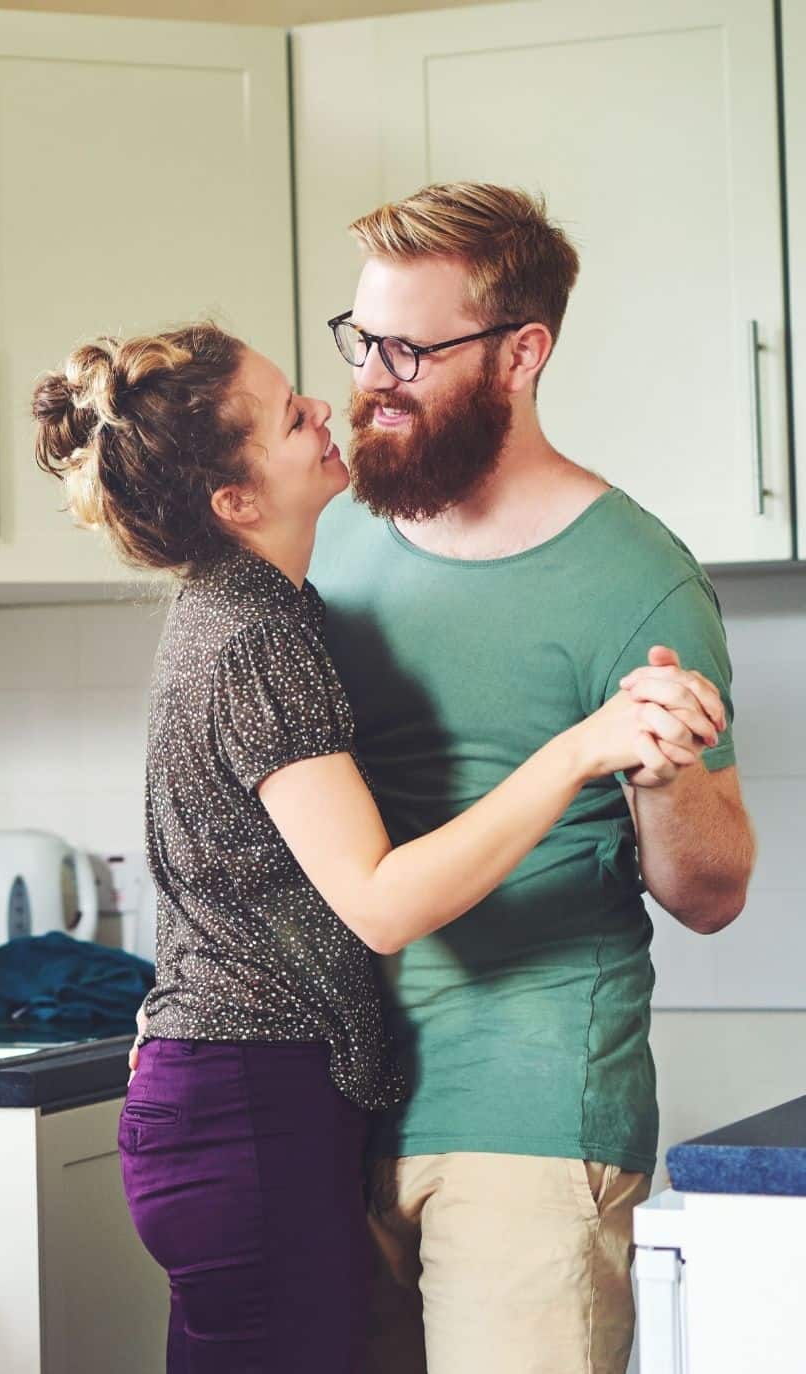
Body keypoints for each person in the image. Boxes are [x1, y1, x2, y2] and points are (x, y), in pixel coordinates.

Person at [32, 321, 724, 1373]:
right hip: (244, 1115)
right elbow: (379, 900)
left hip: (233, 1106)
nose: (323, 408)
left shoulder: (253, 611)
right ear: (233, 501)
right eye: (285, 417)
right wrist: (583, 745)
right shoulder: (254, 629)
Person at [308, 182, 756, 1374]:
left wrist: (660, 775)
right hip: (325, 1100)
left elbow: (711, 894)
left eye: (410, 346)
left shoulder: (636, 580)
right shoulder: (333, 530)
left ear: (520, 352)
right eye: (361, 339)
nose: (373, 377)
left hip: (529, 1113)